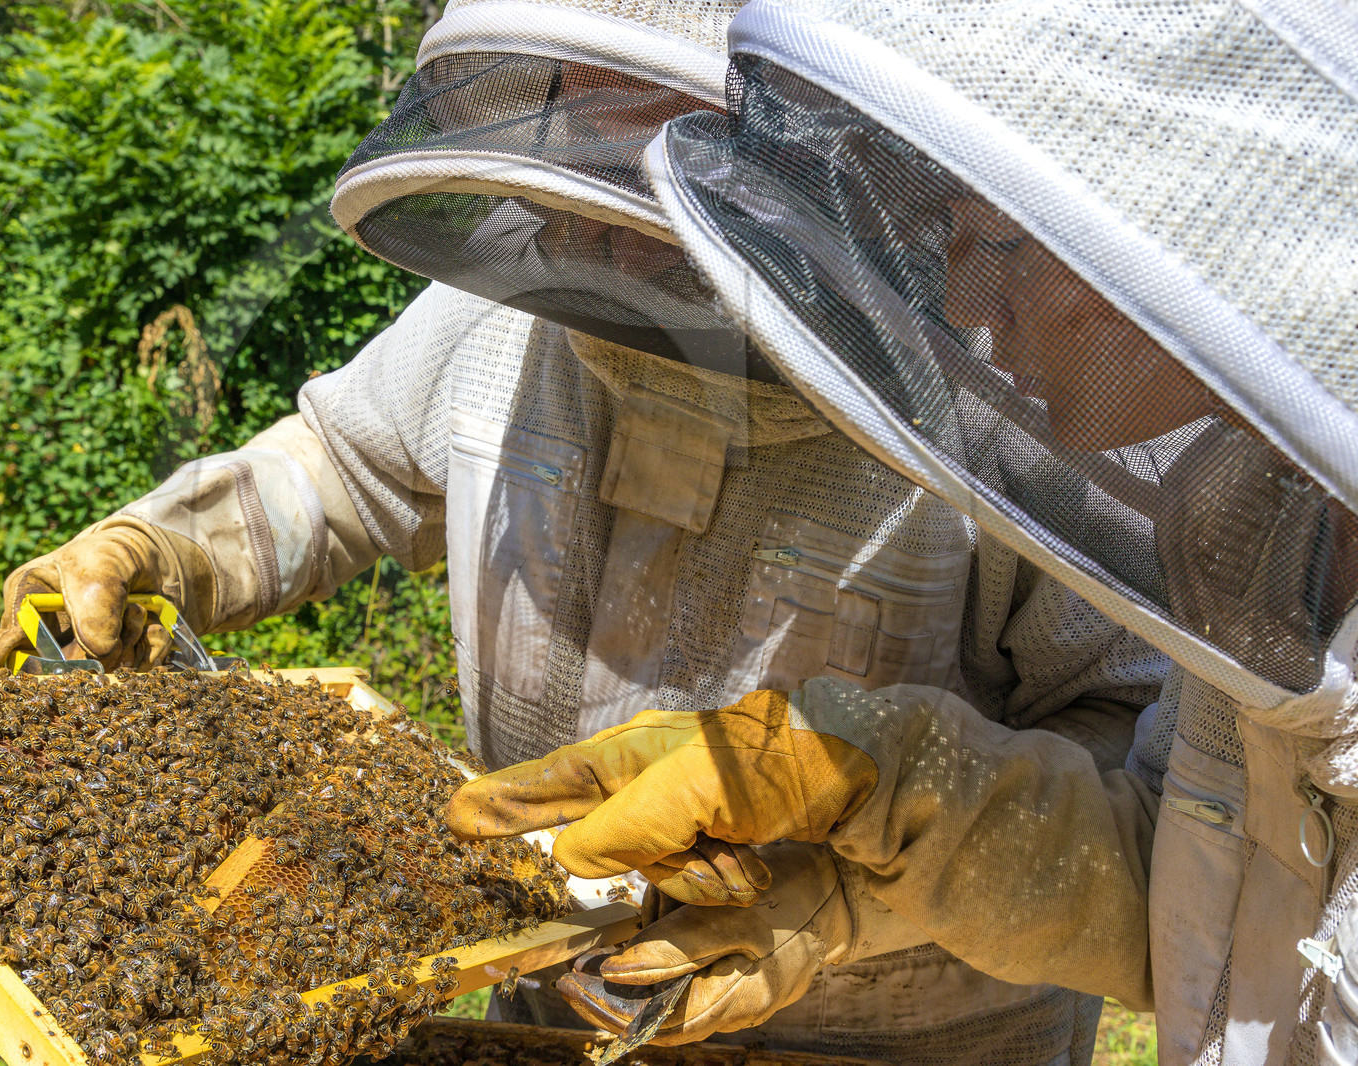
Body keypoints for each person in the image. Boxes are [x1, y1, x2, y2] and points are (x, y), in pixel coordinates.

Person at [0, 1, 1170, 1062]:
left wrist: (830, 904)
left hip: (906, 1037)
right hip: (541, 990)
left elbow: (1129, 753)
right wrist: (163, 546)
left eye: (649, 167)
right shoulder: (504, 314)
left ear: (802, 169)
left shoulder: (1025, 400)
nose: (589, 222)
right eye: (577, 140)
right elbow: (342, 466)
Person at [446, 1, 1358, 1063]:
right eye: (950, 237)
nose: (965, 296)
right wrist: (872, 793)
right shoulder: (1271, 550)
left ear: (1184, 226)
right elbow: (1196, 891)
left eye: (1000, 241)